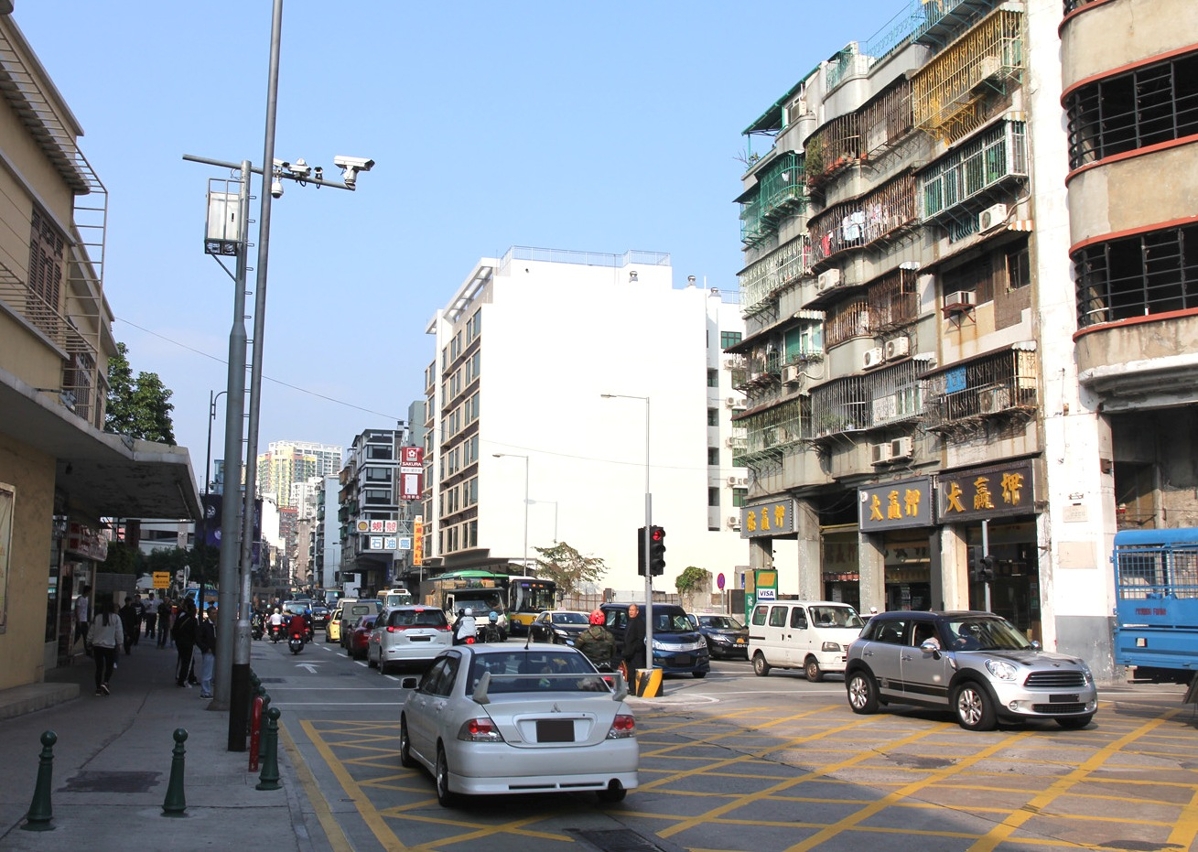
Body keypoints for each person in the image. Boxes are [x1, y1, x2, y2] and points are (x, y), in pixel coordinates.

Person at [87, 598, 123, 696]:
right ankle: (106, 682)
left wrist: (89, 641)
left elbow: (91, 631)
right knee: (109, 666)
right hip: (110, 646)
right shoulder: (116, 618)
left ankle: (98, 688)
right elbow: (118, 632)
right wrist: (120, 643)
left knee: (99, 667)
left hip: (97, 645)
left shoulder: (97, 617)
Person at [172, 600, 199, 687]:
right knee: (188, 662)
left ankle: (181, 677)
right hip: (188, 643)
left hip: (180, 642)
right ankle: (184, 680)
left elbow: (175, 628)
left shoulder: (182, 617)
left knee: (183, 660)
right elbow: (195, 633)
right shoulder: (193, 620)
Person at [621, 604, 647, 688]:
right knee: (630, 671)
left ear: (637, 611)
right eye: (630, 610)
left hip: (636, 654)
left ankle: (635, 688)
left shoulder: (639, 622)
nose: (631, 612)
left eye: (633, 610)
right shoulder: (630, 621)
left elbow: (640, 638)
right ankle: (631, 688)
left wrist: (633, 649)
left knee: (636, 671)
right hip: (629, 653)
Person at [197, 607, 216, 698]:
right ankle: (205, 691)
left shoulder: (216, 625)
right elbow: (199, 639)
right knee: (207, 672)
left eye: (215, 613)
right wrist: (205, 648)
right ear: (209, 614)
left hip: (215, 651)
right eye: (213, 613)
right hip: (208, 651)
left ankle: (207, 690)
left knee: (212, 672)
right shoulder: (205, 625)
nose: (215, 615)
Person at [74, 584, 91, 656]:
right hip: (80, 620)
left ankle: (88, 650)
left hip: (84, 620)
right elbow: (77, 610)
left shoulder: (86, 599)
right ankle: (72, 645)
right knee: (77, 635)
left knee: (86, 636)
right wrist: (78, 620)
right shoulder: (80, 599)